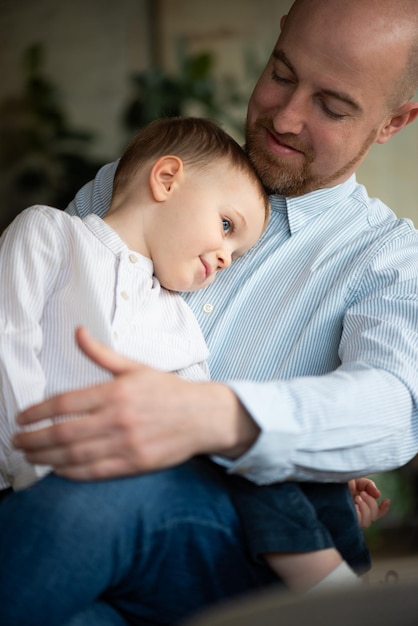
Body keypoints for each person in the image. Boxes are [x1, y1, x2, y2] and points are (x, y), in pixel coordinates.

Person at [0, 0, 416, 622]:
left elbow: (398, 402)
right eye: (281, 73)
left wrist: (225, 418)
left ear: (394, 121)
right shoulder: (137, 178)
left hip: (229, 533)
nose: (287, 115)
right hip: (90, 512)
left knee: (81, 504)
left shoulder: (391, 258)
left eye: (332, 106)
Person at [0, 116, 269, 492]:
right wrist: (34, 467)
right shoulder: (51, 233)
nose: (225, 258)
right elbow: (8, 344)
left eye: (236, 255)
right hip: (33, 479)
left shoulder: (176, 317)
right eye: (227, 226)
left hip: (138, 493)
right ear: (166, 180)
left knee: (286, 483)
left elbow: (195, 418)